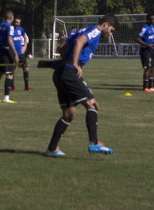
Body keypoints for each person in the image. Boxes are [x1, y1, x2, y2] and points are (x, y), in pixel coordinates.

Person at [44, 14, 118, 157]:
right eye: (111, 30)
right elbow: (79, 42)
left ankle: (52, 148)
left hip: (60, 72)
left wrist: (70, 60)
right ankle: (93, 142)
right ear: (106, 24)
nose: (110, 33)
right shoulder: (95, 31)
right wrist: (75, 63)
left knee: (69, 114)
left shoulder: (82, 30)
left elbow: (62, 46)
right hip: (69, 72)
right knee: (92, 105)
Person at [0, 11, 20, 102]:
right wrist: (15, 53)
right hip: (7, 51)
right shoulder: (10, 27)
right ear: (12, 17)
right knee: (9, 74)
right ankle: (6, 97)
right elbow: (9, 39)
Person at [138, 12, 154, 93]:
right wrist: (148, 45)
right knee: (147, 68)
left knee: (152, 67)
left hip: (151, 50)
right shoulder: (144, 27)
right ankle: (145, 87)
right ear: (148, 19)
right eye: (152, 19)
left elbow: (151, 37)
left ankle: (150, 86)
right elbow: (137, 39)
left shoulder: (152, 27)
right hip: (145, 50)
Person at [12, 15, 32, 92]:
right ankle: (12, 87)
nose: (17, 24)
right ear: (13, 21)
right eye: (16, 22)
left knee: (26, 68)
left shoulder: (21, 29)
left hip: (20, 53)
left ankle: (26, 87)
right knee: (12, 70)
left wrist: (25, 46)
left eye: (19, 22)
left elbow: (25, 37)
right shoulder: (10, 29)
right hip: (13, 53)